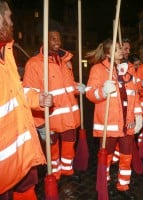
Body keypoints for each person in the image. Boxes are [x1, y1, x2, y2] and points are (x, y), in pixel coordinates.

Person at [0, 1, 52, 199]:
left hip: (20, 156)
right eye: (9, 17)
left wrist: (37, 98)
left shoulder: (7, 52)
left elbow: (15, 92)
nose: (12, 22)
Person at [22, 24, 84, 180]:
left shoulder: (64, 61)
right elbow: (29, 92)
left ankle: (67, 170)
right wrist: (39, 117)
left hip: (70, 115)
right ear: (44, 40)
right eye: (53, 38)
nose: (58, 41)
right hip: (51, 116)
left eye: (59, 38)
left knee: (70, 142)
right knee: (53, 147)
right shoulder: (34, 64)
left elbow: (66, 86)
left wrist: (78, 87)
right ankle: (55, 172)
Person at [85, 39, 143, 200]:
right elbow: (90, 94)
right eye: (117, 48)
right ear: (108, 52)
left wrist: (138, 115)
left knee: (126, 156)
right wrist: (103, 91)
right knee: (107, 156)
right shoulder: (98, 69)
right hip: (108, 123)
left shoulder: (128, 70)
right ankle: (104, 183)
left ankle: (123, 185)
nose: (121, 50)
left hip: (127, 122)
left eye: (121, 48)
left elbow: (134, 95)